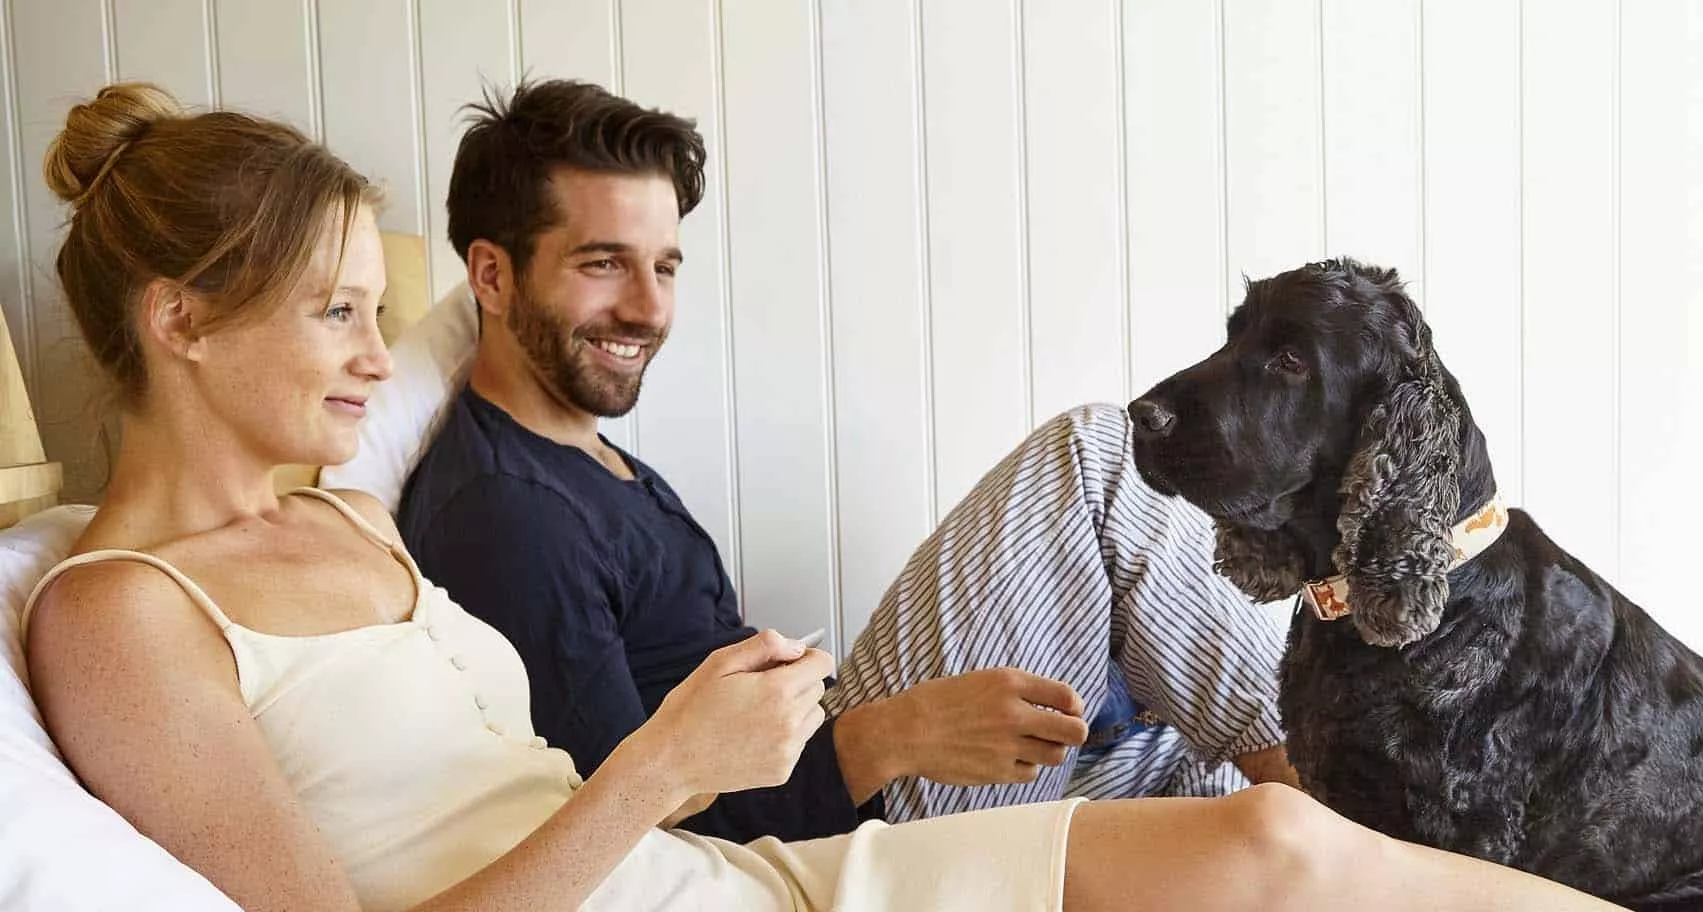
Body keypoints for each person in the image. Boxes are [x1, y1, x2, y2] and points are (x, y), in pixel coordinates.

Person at [22, 82, 1624, 912]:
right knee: (1107, 500)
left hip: (738, 872)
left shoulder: (346, 517)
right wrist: (680, 764)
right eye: (334, 310)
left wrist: (708, 768)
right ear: (179, 323)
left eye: (386, 310)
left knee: (1272, 841)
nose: (382, 354)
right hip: (707, 852)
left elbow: (467, 353)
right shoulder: (114, 615)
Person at [388, 78, 1299, 844]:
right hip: (843, 812)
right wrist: (894, 735)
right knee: (1098, 457)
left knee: (1201, 771)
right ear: (493, 276)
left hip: (828, 760)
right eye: (602, 264)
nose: (646, 308)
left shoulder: (582, 458)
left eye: (664, 267)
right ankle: (1315, 776)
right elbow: (629, 828)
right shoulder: (508, 513)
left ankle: (1334, 815)